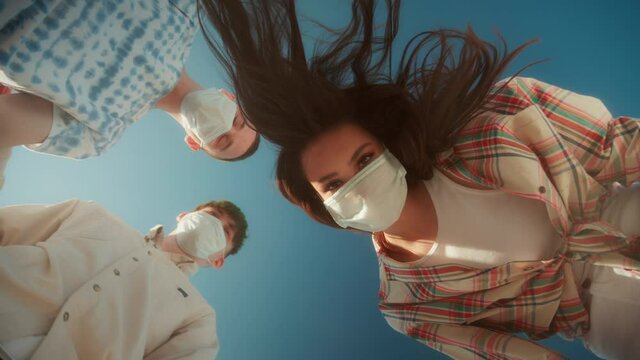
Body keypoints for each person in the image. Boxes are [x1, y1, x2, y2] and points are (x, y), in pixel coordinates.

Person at [200, 0, 640, 358]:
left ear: (388, 150)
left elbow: (620, 145)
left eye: (365, 157)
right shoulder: (406, 307)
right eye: (334, 185)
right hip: (607, 317)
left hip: (623, 214)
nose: (359, 181)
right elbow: (503, 354)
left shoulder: (497, 114)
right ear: (324, 208)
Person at [0, 0, 259, 165]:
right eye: (238, 120)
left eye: (222, 140)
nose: (227, 126)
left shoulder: (99, 134)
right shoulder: (187, 13)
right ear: (229, 96)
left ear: (194, 142)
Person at [0, 198, 249, 359]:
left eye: (225, 232)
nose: (216, 224)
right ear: (183, 216)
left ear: (218, 260)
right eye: (212, 215)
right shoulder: (92, 216)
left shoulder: (198, 319)